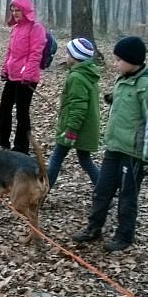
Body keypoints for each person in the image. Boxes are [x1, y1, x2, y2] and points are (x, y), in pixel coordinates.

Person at [72, 36, 148, 252]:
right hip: (113, 147)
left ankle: (124, 236)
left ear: (132, 60)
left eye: (118, 60)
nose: (115, 64)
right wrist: (111, 97)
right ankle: (93, 228)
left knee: (127, 196)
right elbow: (124, 97)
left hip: (133, 153)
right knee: (102, 190)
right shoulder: (123, 79)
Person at [0, 0, 46, 154]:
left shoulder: (36, 28)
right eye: (13, 10)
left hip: (27, 78)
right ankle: (2, 141)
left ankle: (22, 146)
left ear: (26, 10)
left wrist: (27, 75)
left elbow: (36, 53)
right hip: (12, 75)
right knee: (4, 108)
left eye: (18, 10)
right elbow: (10, 52)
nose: (16, 13)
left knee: (22, 111)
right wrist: (5, 69)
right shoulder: (16, 28)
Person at [47, 38, 100, 189]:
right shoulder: (86, 74)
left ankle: (42, 193)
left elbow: (79, 106)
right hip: (83, 127)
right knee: (85, 160)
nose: (65, 56)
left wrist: (71, 129)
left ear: (75, 57)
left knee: (56, 158)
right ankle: (104, 190)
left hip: (75, 129)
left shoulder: (77, 77)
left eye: (68, 53)